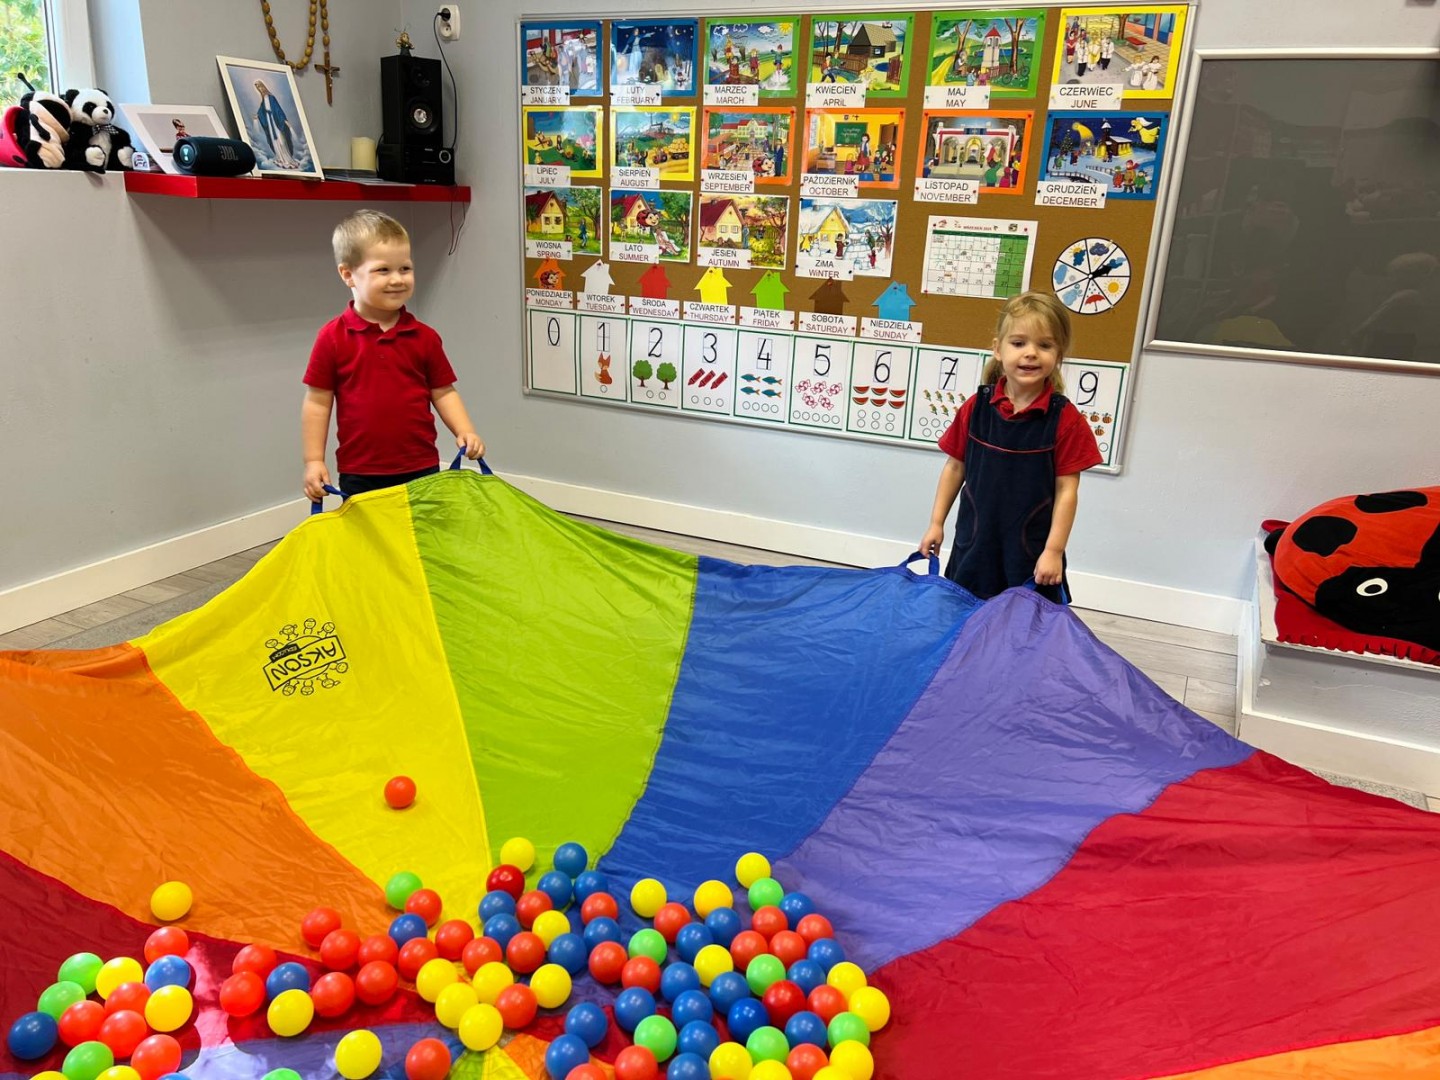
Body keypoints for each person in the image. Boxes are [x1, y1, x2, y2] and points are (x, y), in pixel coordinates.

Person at [918, 291, 1102, 602]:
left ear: (1058, 354)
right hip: (974, 544)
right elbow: (955, 468)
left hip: (1030, 553)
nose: (1031, 353)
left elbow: (1067, 491)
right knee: (966, 614)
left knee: (1024, 621)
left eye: (1044, 345)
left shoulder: (1066, 420)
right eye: (1018, 343)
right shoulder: (976, 408)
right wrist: (936, 523)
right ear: (998, 349)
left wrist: (1054, 551)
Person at [302, 210, 485, 501]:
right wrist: (314, 460)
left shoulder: (425, 337)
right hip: (360, 471)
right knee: (369, 531)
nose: (397, 279)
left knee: (422, 529)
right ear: (348, 275)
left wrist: (465, 430)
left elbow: (443, 391)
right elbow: (317, 404)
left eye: (405, 268)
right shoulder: (332, 338)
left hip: (421, 465)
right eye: (383, 270)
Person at [252, 80, 300, 168]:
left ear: (263, 86)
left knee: (280, 140)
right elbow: (262, 110)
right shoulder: (263, 99)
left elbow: (278, 109)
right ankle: (280, 158)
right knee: (274, 140)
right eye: (258, 88)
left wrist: (284, 120)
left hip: (275, 121)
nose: (260, 89)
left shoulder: (271, 98)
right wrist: (257, 116)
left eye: (260, 87)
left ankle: (287, 159)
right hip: (269, 122)